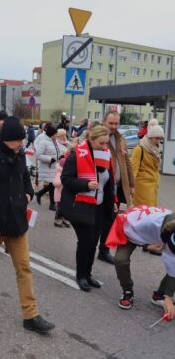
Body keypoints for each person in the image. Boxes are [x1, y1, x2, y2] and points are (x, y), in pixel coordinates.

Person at [0, 116, 55, 334]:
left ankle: (30, 315)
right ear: (6, 139)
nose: (21, 144)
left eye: (22, 141)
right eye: (17, 140)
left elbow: (24, 176)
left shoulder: (18, 156)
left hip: (17, 223)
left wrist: (28, 193)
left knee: (24, 268)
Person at [61, 125, 117, 292]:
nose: (105, 146)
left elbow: (109, 182)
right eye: (101, 143)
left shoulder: (105, 155)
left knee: (93, 242)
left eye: (106, 143)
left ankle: (88, 274)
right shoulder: (76, 155)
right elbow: (66, 179)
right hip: (81, 204)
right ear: (91, 140)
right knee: (85, 241)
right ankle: (81, 276)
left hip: (99, 206)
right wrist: (86, 184)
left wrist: (113, 200)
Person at [107, 205, 175, 318]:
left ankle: (159, 295)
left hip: (152, 234)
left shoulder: (168, 229)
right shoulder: (149, 224)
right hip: (130, 229)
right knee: (120, 260)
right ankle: (127, 291)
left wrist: (167, 295)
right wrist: (146, 246)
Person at [99, 110, 135, 264]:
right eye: (111, 123)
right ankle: (93, 250)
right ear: (104, 121)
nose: (114, 126)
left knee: (111, 220)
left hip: (118, 187)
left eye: (116, 123)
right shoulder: (96, 137)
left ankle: (104, 250)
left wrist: (131, 184)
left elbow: (127, 162)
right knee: (101, 221)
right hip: (103, 187)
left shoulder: (120, 139)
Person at [131, 121, 163, 207]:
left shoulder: (156, 149)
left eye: (160, 139)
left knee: (150, 213)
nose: (158, 141)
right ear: (150, 137)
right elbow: (133, 170)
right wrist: (132, 186)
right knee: (143, 214)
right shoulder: (140, 149)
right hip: (142, 188)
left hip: (153, 186)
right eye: (156, 138)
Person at [34, 125, 60, 210]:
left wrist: (60, 156)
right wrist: (49, 159)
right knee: (52, 184)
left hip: (54, 166)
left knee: (52, 184)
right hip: (47, 166)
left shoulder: (54, 141)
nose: (57, 135)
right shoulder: (43, 142)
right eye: (55, 134)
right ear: (51, 134)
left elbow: (56, 152)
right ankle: (52, 204)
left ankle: (40, 194)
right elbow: (38, 155)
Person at [52, 157, 70, 228]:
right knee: (59, 209)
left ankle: (65, 218)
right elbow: (55, 183)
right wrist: (63, 181)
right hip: (59, 195)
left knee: (66, 208)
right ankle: (58, 219)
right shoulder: (59, 174)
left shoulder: (66, 173)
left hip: (66, 195)